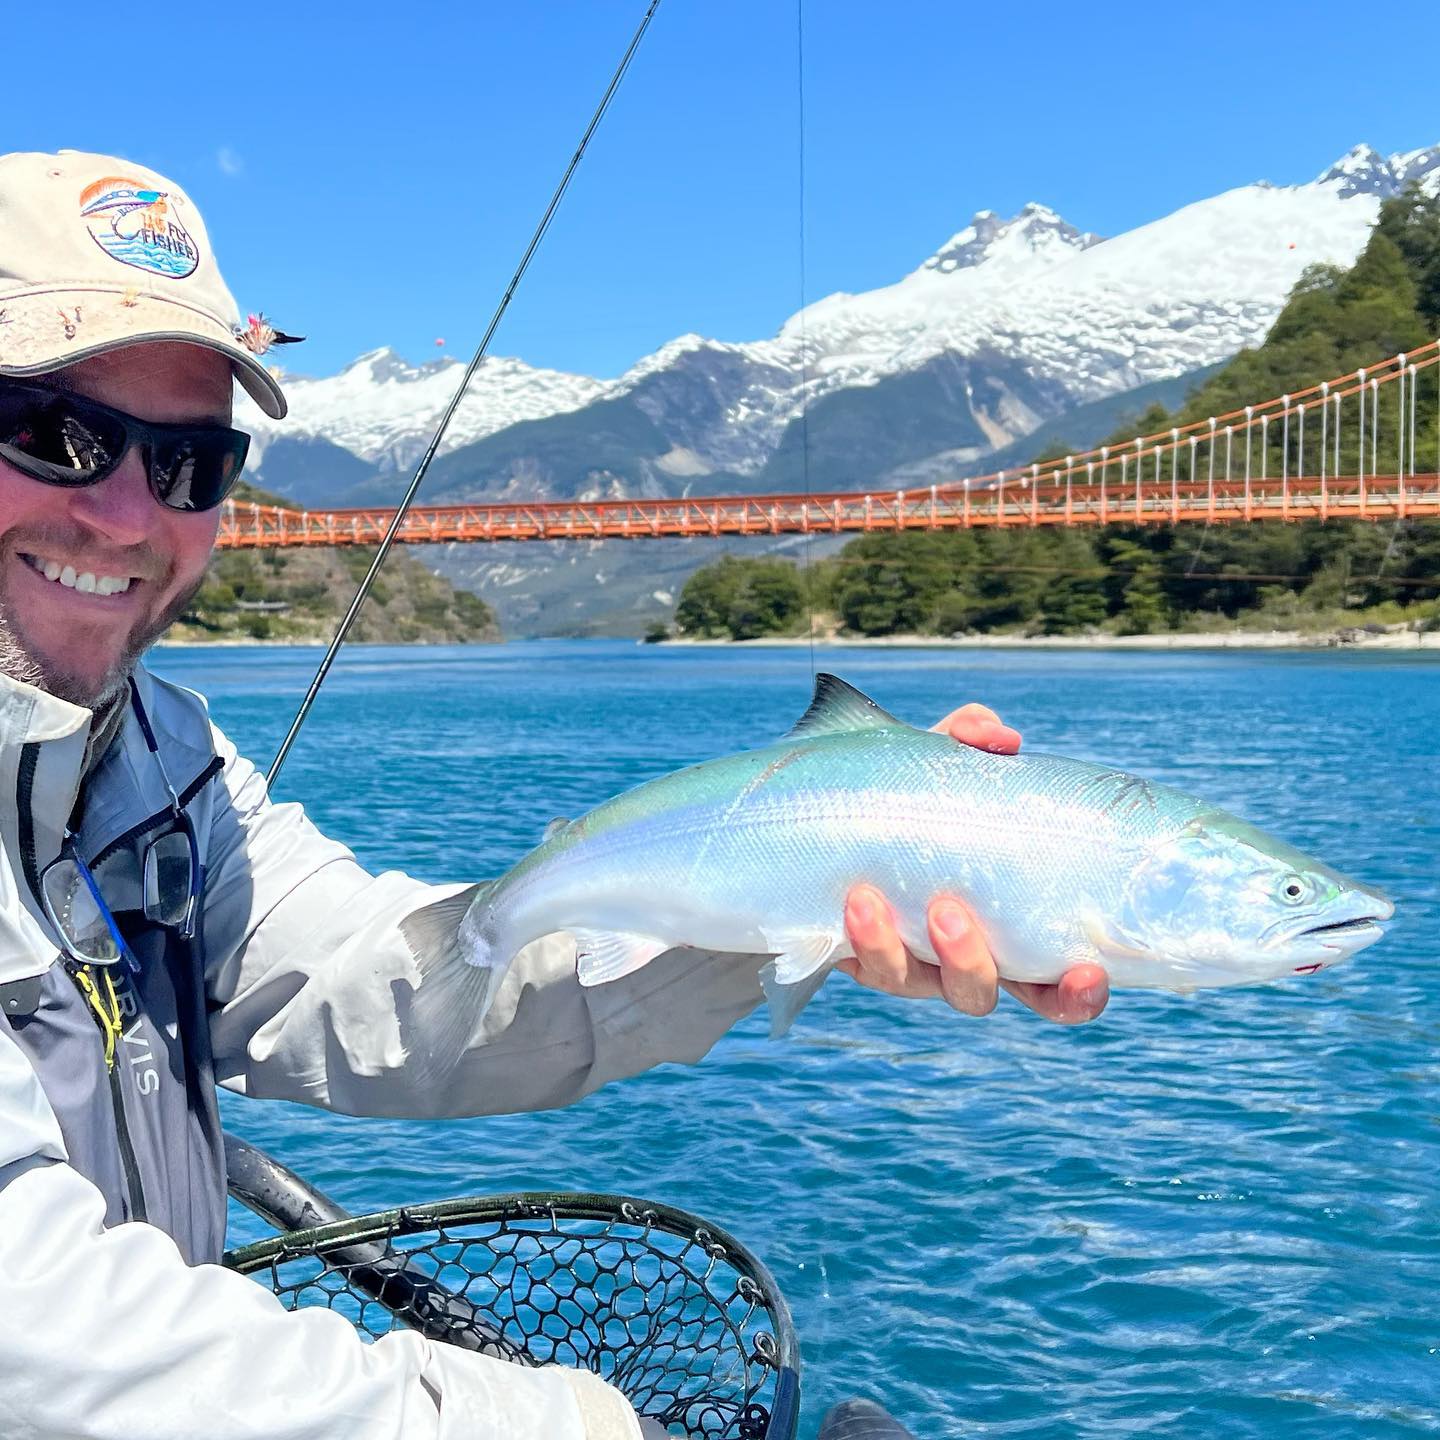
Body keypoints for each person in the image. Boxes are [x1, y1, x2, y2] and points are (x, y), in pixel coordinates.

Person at [0, 150, 1108, 1440]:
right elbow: (37, 1323)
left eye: (192, 462)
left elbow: (374, 992)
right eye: (55, 435)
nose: (131, 515)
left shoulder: (148, 755)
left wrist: (802, 881)